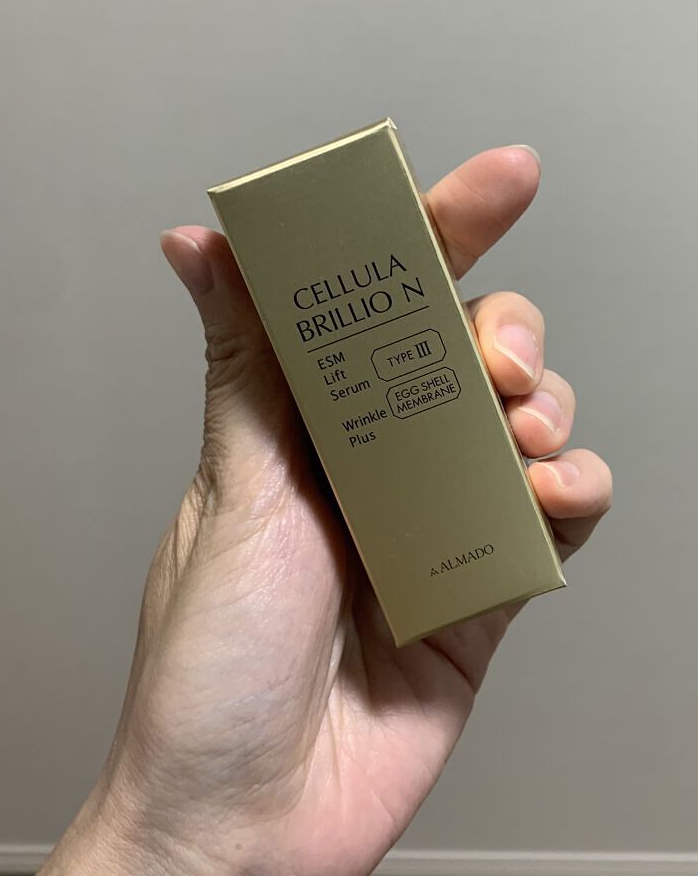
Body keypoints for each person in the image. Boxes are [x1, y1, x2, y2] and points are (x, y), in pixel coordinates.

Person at [40, 144, 613, 876]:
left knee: (497, 389)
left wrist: (172, 846)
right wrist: (168, 842)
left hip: (389, 654)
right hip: (291, 729)